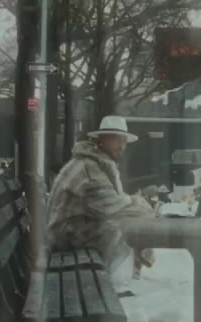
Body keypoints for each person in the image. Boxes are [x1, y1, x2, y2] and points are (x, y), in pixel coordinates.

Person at [45, 115, 158, 285]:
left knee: (124, 226)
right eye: (117, 140)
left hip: (64, 233)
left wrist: (137, 205)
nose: (122, 146)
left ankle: (127, 277)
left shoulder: (91, 161)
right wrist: (142, 204)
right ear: (101, 140)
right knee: (121, 229)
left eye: (124, 141)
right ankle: (122, 280)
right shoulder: (89, 167)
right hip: (64, 239)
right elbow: (110, 206)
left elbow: (109, 203)